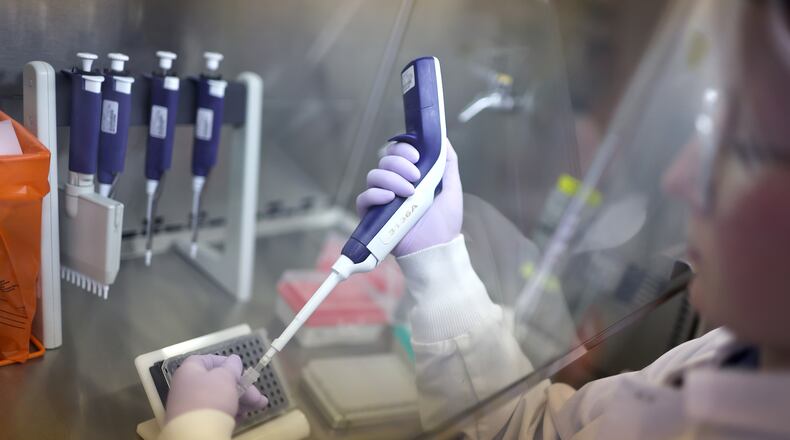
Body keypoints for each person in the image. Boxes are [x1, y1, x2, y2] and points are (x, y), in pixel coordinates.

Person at [161, 0, 790, 438]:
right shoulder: (725, 358)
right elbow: (532, 430)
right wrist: (436, 261)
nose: (679, 179)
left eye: (743, 148)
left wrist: (193, 428)